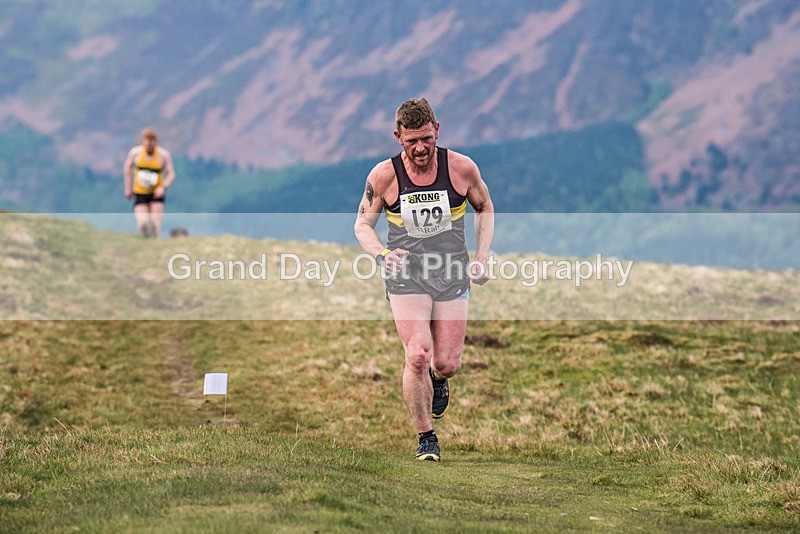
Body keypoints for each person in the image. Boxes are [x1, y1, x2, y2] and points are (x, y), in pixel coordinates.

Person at [354, 98, 494, 461]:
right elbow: (362, 225)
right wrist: (382, 255)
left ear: (437, 131)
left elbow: (485, 207)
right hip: (407, 274)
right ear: (398, 137)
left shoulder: (461, 168)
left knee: (446, 362)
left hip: (451, 272)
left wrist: (481, 258)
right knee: (417, 354)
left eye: (426, 139)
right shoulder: (383, 176)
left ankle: (438, 379)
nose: (420, 148)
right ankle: (426, 438)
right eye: (411, 140)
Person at [123, 128, 175, 238]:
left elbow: (171, 174)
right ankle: (145, 242)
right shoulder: (135, 153)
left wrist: (163, 187)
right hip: (140, 192)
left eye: (152, 145)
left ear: (156, 143)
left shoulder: (163, 155)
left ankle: (154, 244)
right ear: (143, 142)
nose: (149, 148)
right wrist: (127, 188)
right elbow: (127, 168)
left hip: (156, 193)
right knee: (143, 222)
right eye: (147, 145)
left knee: (155, 223)